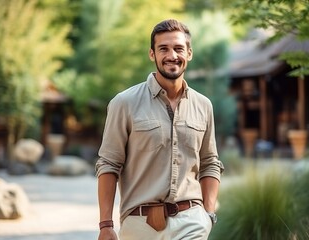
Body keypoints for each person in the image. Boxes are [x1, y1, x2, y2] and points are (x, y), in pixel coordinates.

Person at [95, 19, 224, 240]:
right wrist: (106, 225)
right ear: (152, 54)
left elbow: (210, 162)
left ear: (189, 53)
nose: (172, 55)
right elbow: (109, 163)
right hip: (139, 223)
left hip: (191, 221)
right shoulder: (124, 103)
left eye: (178, 48)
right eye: (163, 48)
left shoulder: (203, 105)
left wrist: (208, 214)